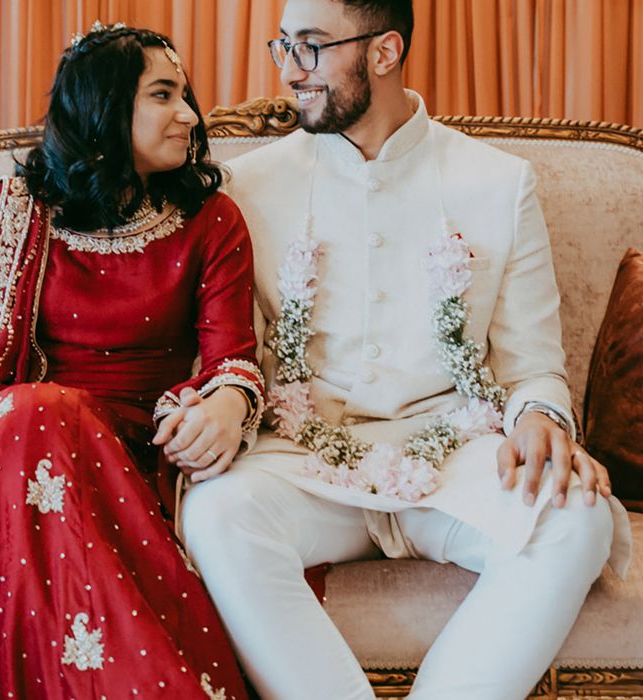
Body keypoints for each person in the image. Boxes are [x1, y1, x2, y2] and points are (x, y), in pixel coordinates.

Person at [175, 1, 632, 699]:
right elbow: (236, 347)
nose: (291, 72)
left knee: (579, 516)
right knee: (215, 513)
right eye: (284, 47)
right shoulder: (247, 186)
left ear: (384, 52)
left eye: (313, 47)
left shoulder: (499, 182)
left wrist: (541, 417)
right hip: (303, 464)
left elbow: (533, 363)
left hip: (456, 457)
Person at [0, 23, 262, 699]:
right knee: (29, 412)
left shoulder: (211, 220)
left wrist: (226, 404)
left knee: (39, 413)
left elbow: (233, 358)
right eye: (164, 95)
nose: (191, 117)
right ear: (103, 108)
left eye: (187, 96)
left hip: (127, 452)